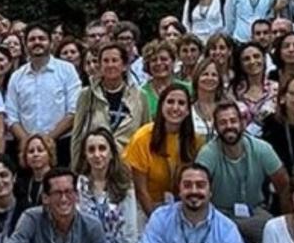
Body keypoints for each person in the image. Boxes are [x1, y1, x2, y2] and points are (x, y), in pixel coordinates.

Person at [198, 102, 290, 243]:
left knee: (273, 231)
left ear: (242, 123)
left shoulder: (261, 149)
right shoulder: (208, 154)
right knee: (229, 234)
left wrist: (286, 221)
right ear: (216, 127)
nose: (229, 126)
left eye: (233, 121)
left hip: (253, 210)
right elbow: (198, 189)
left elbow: (283, 184)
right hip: (220, 213)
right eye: (223, 123)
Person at [5, 24, 83, 169]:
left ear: (51, 42)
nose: (37, 42)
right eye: (32, 39)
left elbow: (74, 110)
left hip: (61, 143)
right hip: (28, 148)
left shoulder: (67, 70)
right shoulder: (17, 76)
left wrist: (48, 139)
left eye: (42, 38)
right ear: (25, 44)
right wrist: (27, 140)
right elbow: (11, 116)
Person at [124, 86, 203, 217]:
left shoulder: (196, 141)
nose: (175, 108)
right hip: (146, 206)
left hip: (182, 205)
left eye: (181, 103)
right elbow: (141, 190)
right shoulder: (142, 138)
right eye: (170, 102)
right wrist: (157, 222)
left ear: (188, 110)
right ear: (161, 106)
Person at [75, 128, 140, 243]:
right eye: (91, 150)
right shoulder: (79, 185)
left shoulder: (124, 184)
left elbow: (130, 228)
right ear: (85, 155)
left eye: (102, 148)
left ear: (111, 153)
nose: (97, 155)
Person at [71, 43, 151, 155]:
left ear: (124, 66)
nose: (110, 65)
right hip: (96, 162)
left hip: (129, 163)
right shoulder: (87, 95)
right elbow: (77, 136)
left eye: (114, 60)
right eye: (106, 61)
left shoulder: (140, 96)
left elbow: (146, 134)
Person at [230, 41, 279, 132]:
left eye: (256, 56)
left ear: (264, 59)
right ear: (240, 64)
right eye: (246, 59)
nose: (252, 61)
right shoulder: (233, 92)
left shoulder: (277, 89)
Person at [189, 57, 227, 143]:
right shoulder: (188, 109)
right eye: (205, 74)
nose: (210, 78)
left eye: (214, 75)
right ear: (197, 78)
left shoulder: (226, 109)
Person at [16, 133, 57, 207]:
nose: (35, 154)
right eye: (31, 151)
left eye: (40, 150)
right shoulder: (21, 184)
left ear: (49, 154)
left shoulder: (58, 179)